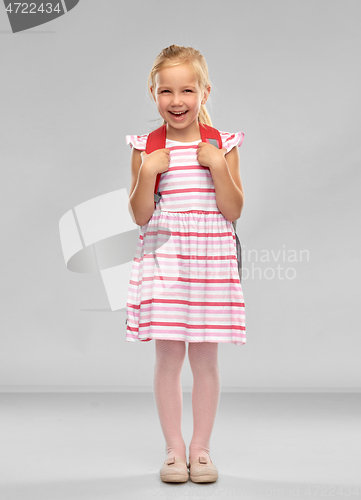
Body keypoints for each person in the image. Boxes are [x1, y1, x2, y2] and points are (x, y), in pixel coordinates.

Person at [125, 44, 246, 483]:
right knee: (169, 358)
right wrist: (146, 174)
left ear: (205, 92)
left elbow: (233, 210)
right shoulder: (146, 148)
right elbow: (139, 215)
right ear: (154, 94)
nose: (177, 101)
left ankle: (201, 450)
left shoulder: (221, 145)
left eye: (187, 90)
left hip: (210, 263)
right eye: (166, 91)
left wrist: (217, 167)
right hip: (167, 265)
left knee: (206, 361)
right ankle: (174, 450)